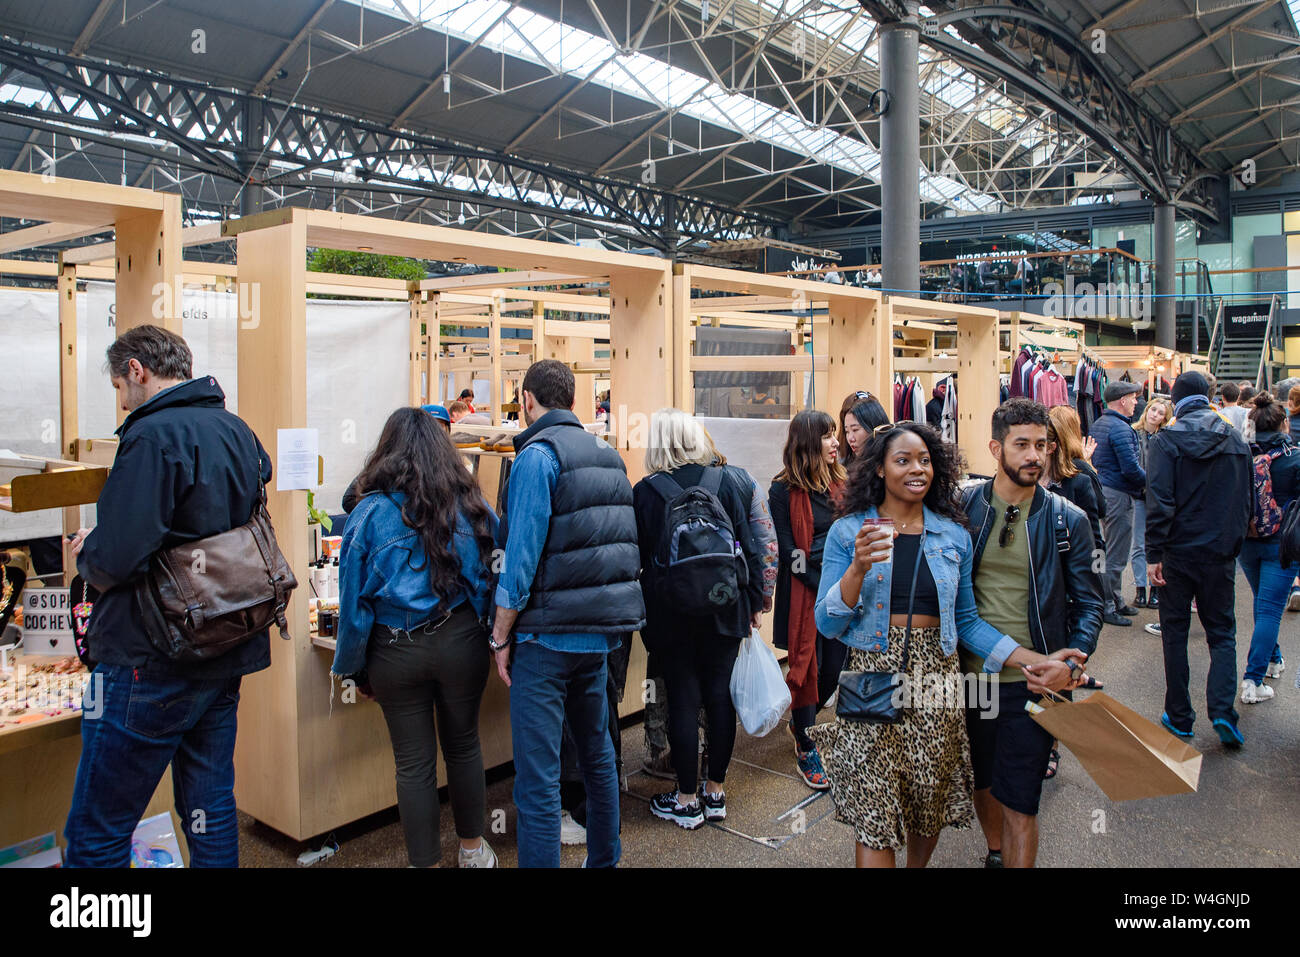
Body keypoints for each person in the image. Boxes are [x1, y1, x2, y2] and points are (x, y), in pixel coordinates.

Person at [809, 420, 1071, 868]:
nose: (917, 469)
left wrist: (1032, 659)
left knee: (927, 803)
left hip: (939, 677)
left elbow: (967, 622)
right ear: (878, 470)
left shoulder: (952, 534)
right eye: (903, 460)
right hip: (872, 670)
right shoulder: (850, 531)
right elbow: (828, 624)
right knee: (874, 808)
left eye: (925, 461)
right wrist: (856, 568)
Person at [65, 325, 271, 867]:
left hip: (149, 658)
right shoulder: (236, 429)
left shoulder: (151, 435)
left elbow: (118, 558)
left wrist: (87, 553)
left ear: (137, 370)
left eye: (119, 386)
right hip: (225, 643)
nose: (122, 398)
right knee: (209, 810)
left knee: (98, 831)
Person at [489, 359, 645, 867]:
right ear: (573, 400)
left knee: (538, 780)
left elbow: (521, 556)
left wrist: (500, 635)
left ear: (528, 401)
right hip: (598, 637)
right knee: (598, 758)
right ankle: (605, 860)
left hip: (546, 638)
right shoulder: (608, 454)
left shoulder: (537, 456)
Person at [332, 407, 499, 868]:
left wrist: (353, 667)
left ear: (386, 451)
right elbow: (491, 575)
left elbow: (353, 606)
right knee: (464, 744)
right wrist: (488, 632)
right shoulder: (471, 505)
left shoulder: (366, 514)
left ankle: (424, 863)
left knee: (413, 764)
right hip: (461, 639)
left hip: (395, 649)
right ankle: (471, 851)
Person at [961, 398, 1103, 868]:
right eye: (1022, 445)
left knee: (1022, 799)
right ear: (995, 448)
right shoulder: (963, 508)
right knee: (983, 782)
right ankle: (995, 853)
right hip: (971, 678)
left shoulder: (1068, 520)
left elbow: (1089, 603)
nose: (1035, 456)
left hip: (1037, 681)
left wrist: (1073, 662)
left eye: (1042, 445)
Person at [633, 410, 764, 830]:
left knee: (684, 700)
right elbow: (751, 546)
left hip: (671, 614)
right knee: (719, 696)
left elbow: (636, 556)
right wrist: (757, 603)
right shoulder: (728, 480)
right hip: (727, 607)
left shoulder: (646, 491)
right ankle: (715, 792)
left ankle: (686, 800)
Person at [1146, 371, 1253, 748]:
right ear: (1207, 397)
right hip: (1220, 553)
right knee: (1222, 633)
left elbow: (1159, 502)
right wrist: (1233, 543)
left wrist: (1153, 553)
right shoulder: (1235, 439)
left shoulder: (1165, 441)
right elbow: (1246, 501)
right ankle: (1223, 711)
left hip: (1177, 553)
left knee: (1174, 633)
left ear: (1176, 400)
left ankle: (1180, 716)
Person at [769, 411, 846, 790]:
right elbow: (789, 551)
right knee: (805, 669)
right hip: (805, 591)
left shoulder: (842, 484)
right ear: (808, 443)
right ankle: (805, 740)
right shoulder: (782, 490)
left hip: (841, 592)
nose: (836, 443)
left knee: (831, 673)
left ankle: (804, 719)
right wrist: (822, 584)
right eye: (829, 436)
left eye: (835, 435)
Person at [1234, 393, 1298, 703]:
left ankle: (1274, 660)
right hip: (1282, 544)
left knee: (1263, 602)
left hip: (1247, 540)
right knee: (1270, 609)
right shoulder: (1295, 456)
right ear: (1284, 423)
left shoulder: (1240, 453)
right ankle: (1252, 680)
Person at [1088, 380, 1145, 627]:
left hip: (1106, 490)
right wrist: (1151, 483)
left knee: (1106, 548)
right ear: (1122, 400)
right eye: (1133, 398)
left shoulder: (1101, 423)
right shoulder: (1121, 428)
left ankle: (1114, 599)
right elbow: (1130, 467)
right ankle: (1108, 605)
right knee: (1115, 553)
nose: (1136, 402)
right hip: (1119, 494)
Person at [342, 405, 451, 513]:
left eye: (440, 427)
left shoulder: (452, 468)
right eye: (429, 428)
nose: (432, 435)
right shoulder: (391, 463)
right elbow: (349, 500)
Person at [1129, 397, 1174, 610]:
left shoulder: (1165, 438)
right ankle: (1140, 588)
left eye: (1160, 412)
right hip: (1139, 494)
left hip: (1158, 496)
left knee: (1157, 541)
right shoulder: (1133, 433)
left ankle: (1155, 588)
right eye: (1153, 410)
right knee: (1138, 543)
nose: (1154, 414)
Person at [838, 391, 890, 466]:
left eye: (855, 430)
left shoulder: (890, 462)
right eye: (847, 432)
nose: (850, 438)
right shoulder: (844, 465)